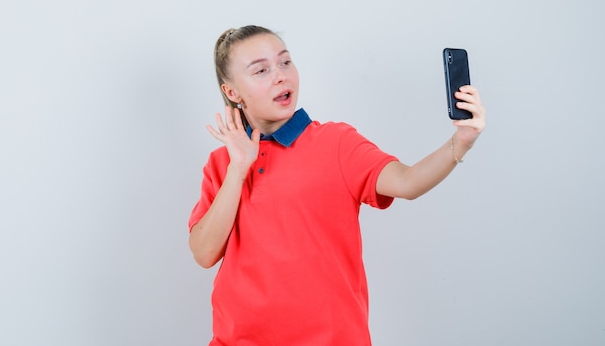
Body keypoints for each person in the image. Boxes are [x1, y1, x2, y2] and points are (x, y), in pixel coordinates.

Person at [189, 25, 485, 346]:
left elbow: (407, 181)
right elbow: (204, 253)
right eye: (261, 70)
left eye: (285, 62)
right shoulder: (222, 163)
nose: (280, 76)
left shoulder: (337, 143)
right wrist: (238, 168)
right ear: (232, 93)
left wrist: (462, 141)